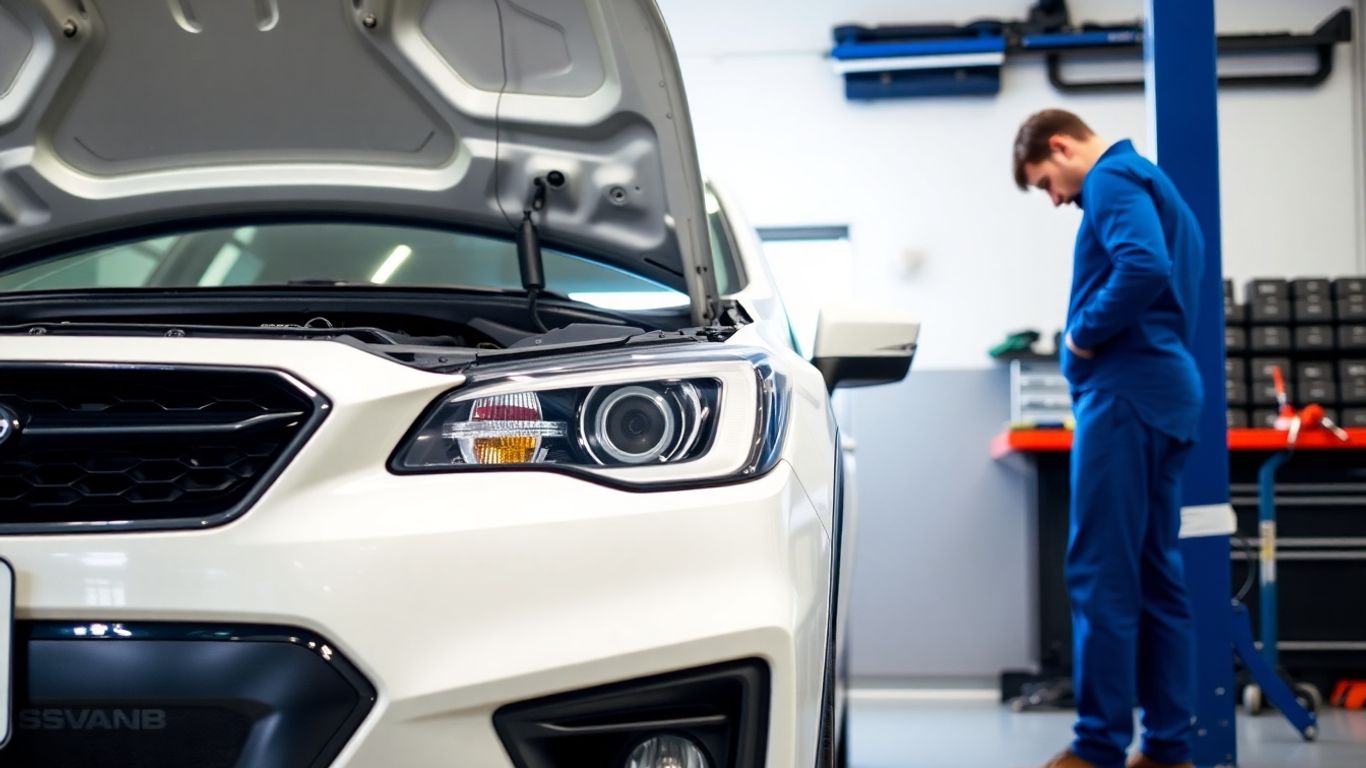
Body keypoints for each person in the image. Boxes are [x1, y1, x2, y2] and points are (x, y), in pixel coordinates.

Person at [1013, 109, 1205, 768]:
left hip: (1124, 397)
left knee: (1100, 575)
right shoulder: (1156, 183)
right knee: (1157, 578)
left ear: (1061, 146)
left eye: (1046, 182)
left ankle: (1096, 748)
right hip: (1168, 394)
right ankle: (1168, 747)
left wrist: (1083, 333)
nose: (1057, 198)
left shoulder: (1112, 180)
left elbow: (1143, 265)